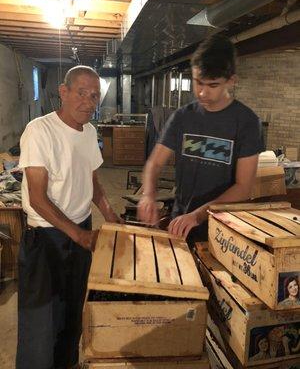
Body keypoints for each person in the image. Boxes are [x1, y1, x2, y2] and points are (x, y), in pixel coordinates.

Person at [16, 66, 120, 369]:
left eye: (94, 96)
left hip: (80, 233)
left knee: (73, 312)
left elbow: (94, 185)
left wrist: (113, 218)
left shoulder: (89, 132)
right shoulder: (40, 131)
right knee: (41, 320)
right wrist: (80, 236)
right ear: (63, 92)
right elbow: (37, 197)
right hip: (46, 238)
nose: (89, 102)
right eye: (81, 93)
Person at [138, 34, 264, 246]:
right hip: (181, 222)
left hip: (223, 230)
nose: (203, 93)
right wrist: (148, 194)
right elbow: (155, 163)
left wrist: (197, 215)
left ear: (231, 80)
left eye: (213, 85)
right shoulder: (182, 117)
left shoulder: (247, 122)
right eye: (198, 82)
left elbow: (243, 187)